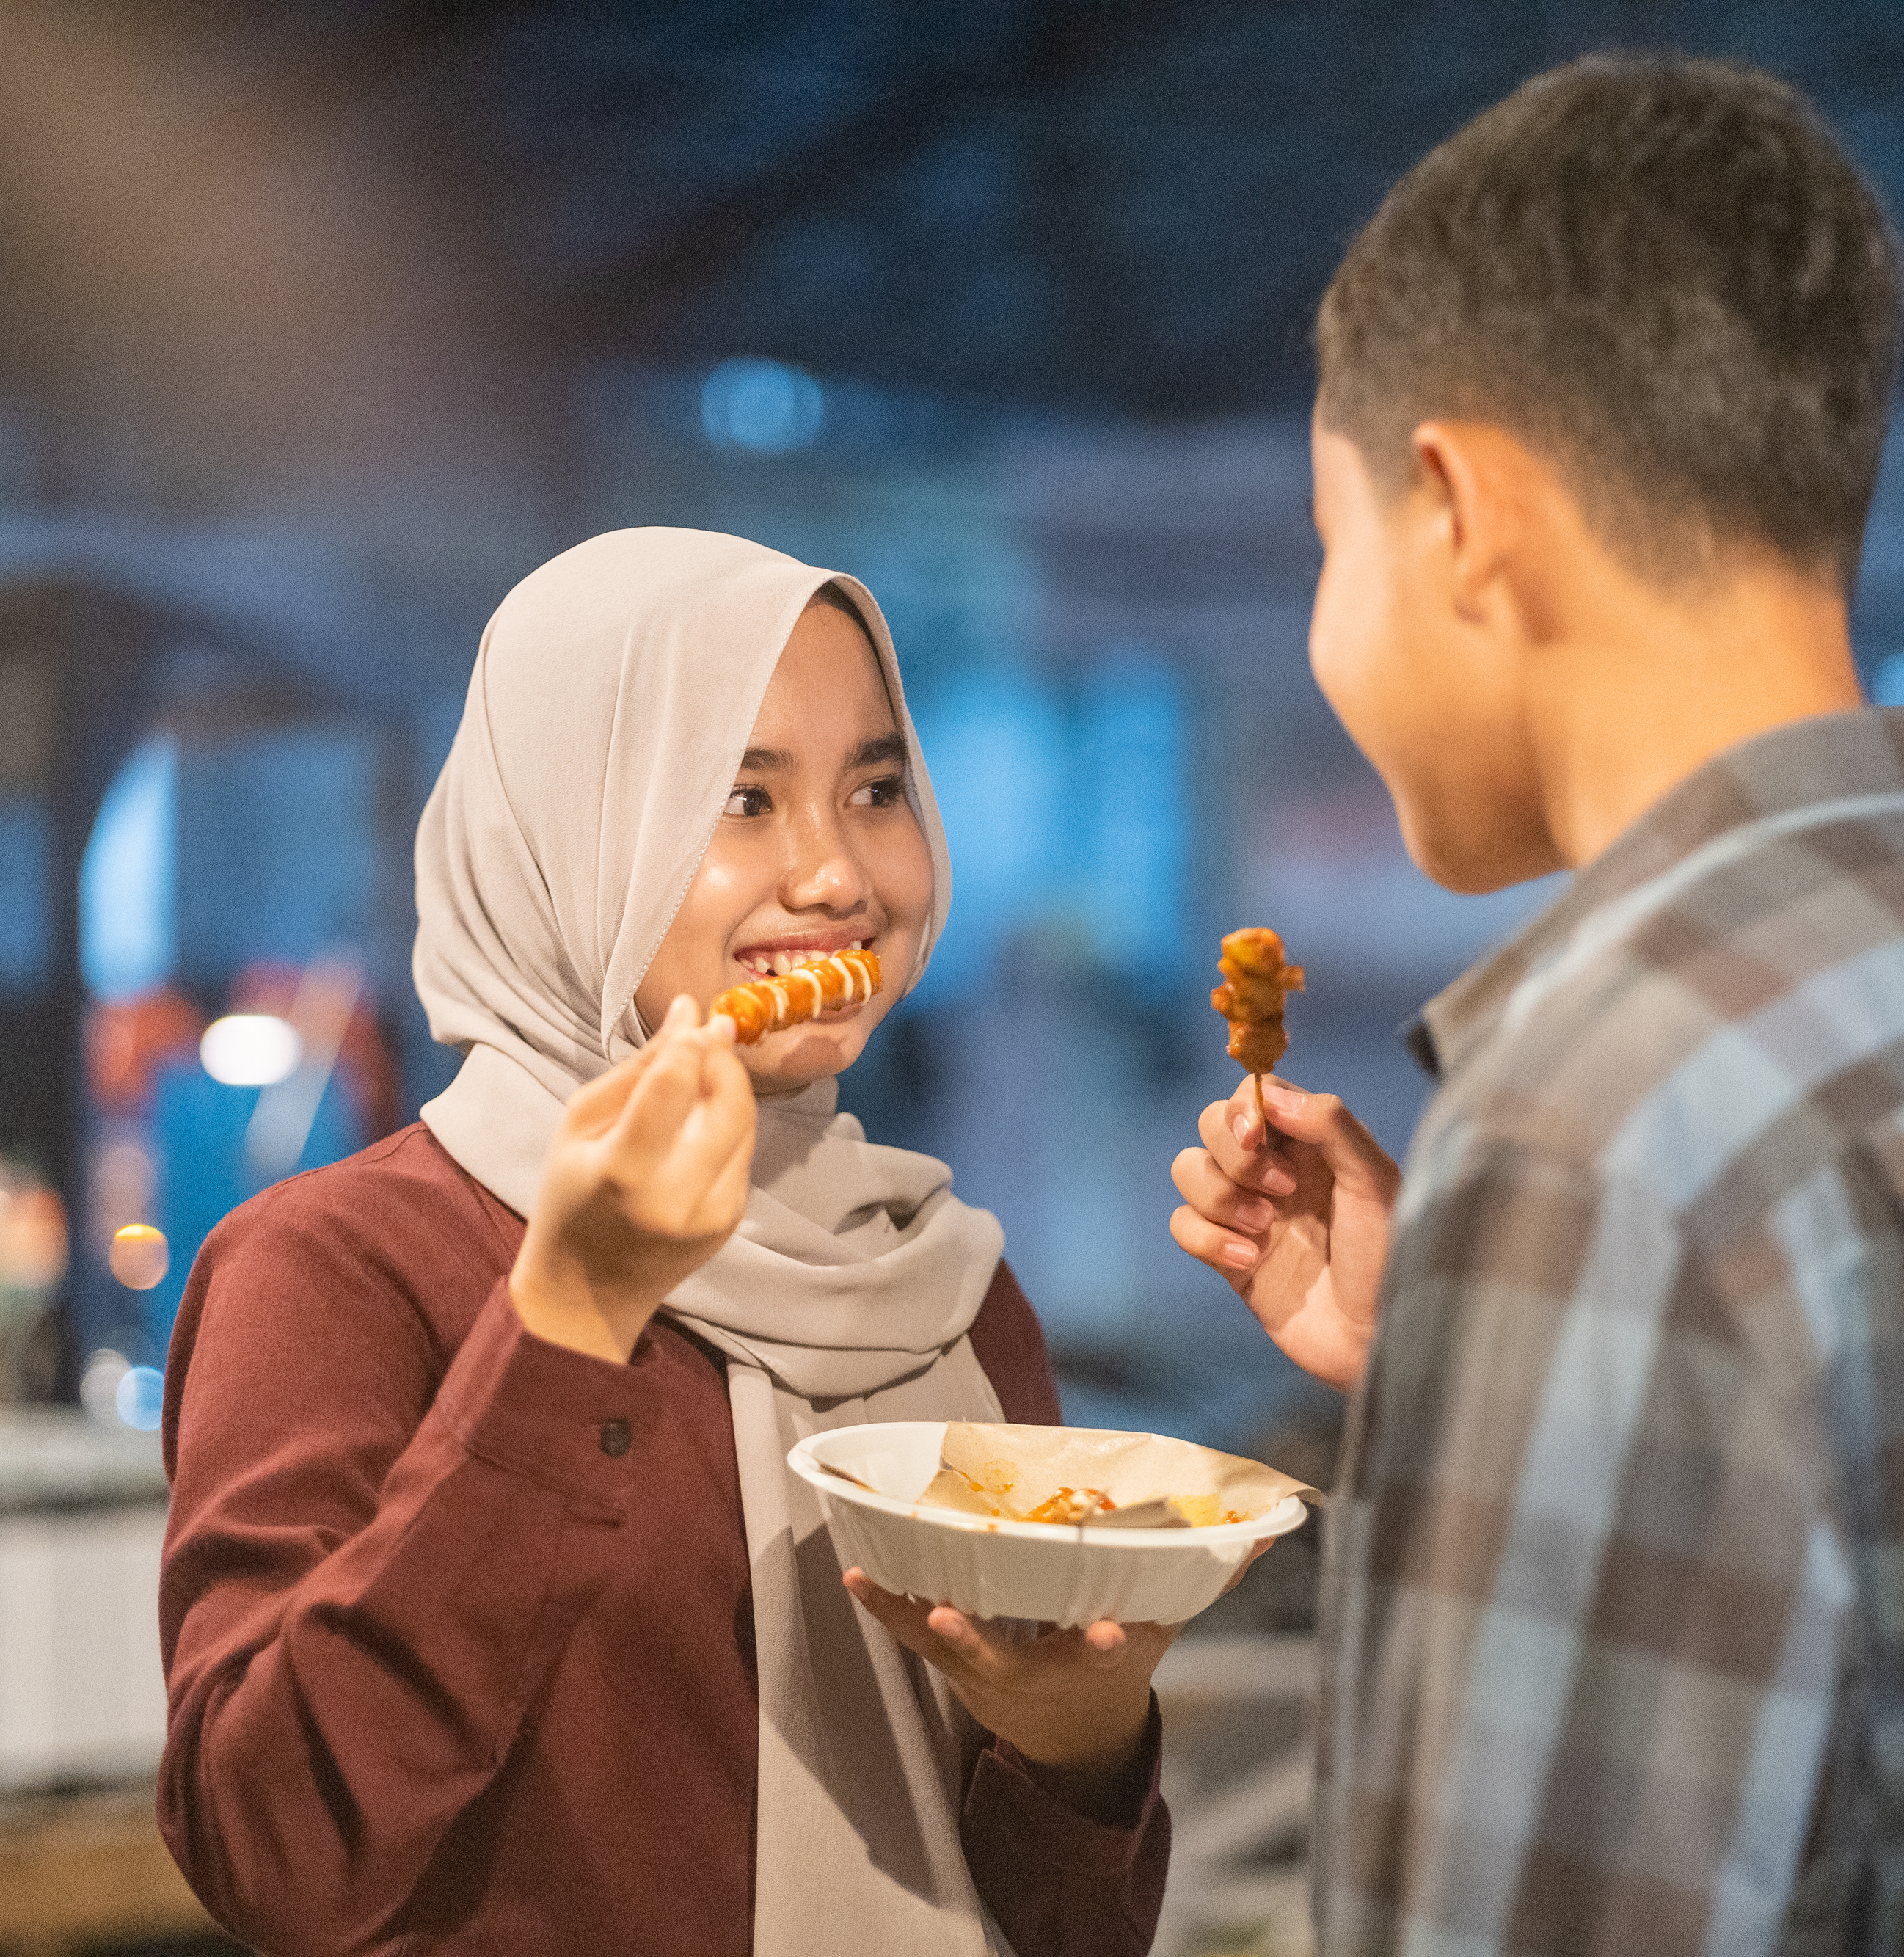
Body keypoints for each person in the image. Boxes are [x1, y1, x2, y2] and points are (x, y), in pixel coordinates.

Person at [1167, 55, 1904, 1955]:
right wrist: (1462, 1350)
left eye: (1325, 543)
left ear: (1458, 510)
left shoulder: (1601, 1122)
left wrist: (1540, 1267)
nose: (1320, 624)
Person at [158, 528, 1175, 1956]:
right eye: (740, 794)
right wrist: (568, 1318)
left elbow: (1071, 1929)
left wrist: (1082, 1748)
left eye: (873, 788)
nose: (835, 875)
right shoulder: (343, 1265)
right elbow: (274, 1849)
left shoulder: (940, 1282)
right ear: (568, 833)